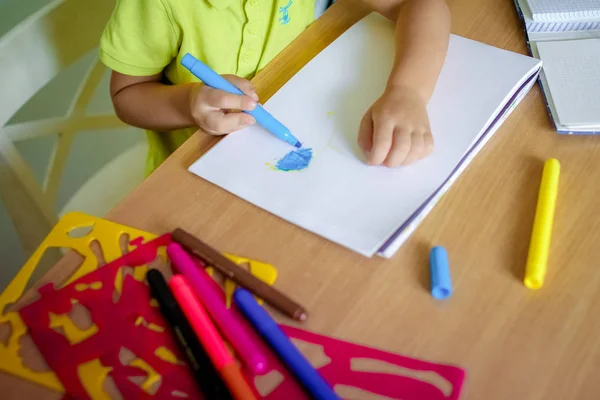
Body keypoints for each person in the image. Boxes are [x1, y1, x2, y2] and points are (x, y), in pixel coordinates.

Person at [99, 0, 450, 175]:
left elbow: (421, 5)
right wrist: (187, 102)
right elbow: (127, 94)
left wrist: (408, 91)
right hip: (196, 169)